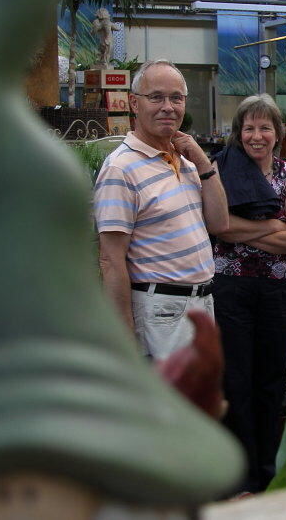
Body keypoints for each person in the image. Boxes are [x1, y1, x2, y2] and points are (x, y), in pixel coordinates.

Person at [95, 59, 229, 360]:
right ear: (134, 103)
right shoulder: (121, 168)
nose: (168, 107)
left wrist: (203, 162)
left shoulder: (186, 161)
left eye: (176, 98)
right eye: (156, 97)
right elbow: (111, 260)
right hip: (162, 311)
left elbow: (220, 224)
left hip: (201, 303)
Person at [211, 93, 286, 493]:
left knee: (270, 380)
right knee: (235, 380)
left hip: (277, 291)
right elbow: (219, 227)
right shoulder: (220, 171)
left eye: (265, 127)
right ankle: (239, 474)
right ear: (238, 133)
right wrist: (272, 226)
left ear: (277, 133)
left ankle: (267, 472)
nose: (257, 136)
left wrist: (246, 231)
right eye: (249, 128)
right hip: (230, 288)